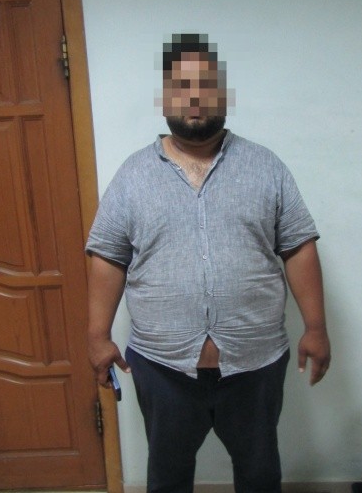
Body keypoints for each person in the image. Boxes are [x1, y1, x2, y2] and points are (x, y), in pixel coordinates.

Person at [86, 33, 331, 493]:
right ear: (165, 98)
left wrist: (316, 327)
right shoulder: (132, 176)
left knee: (259, 476)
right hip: (162, 367)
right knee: (168, 478)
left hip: (255, 364)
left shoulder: (266, 167)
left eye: (206, 86)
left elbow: (298, 246)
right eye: (181, 86)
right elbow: (108, 257)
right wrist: (97, 336)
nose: (194, 97)